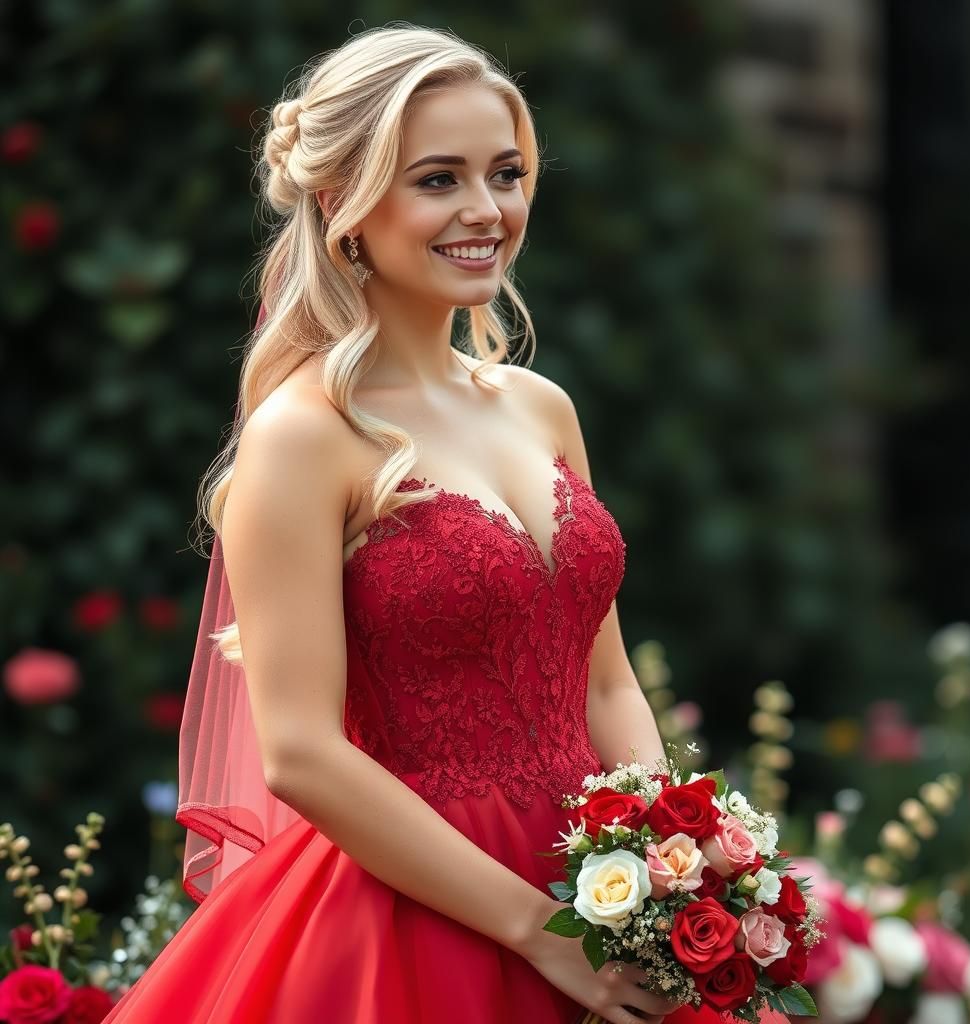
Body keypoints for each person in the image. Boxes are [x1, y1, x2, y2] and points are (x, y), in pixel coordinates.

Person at [102, 24, 788, 1024]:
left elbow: (604, 678)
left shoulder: (540, 406)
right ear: (343, 203)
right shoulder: (304, 437)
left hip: (601, 889)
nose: (486, 210)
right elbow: (298, 752)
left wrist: (659, 857)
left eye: (505, 173)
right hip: (419, 910)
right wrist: (537, 933)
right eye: (437, 180)